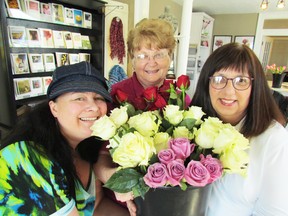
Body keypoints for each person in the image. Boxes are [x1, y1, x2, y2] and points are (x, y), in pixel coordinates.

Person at [0, 62, 129, 215]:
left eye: (99, 97)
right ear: (54, 108)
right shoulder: (25, 156)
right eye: (79, 98)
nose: (94, 107)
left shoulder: (86, 148)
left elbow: (97, 206)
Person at [190, 43, 288, 215]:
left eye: (241, 81)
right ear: (207, 83)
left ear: (254, 87)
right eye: (219, 79)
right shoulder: (192, 125)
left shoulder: (274, 140)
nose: (229, 92)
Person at [93, 18, 177, 214]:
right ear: (132, 57)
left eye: (159, 54)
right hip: (120, 203)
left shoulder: (181, 98)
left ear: (170, 57)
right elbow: (99, 158)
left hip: (165, 201)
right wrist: (117, 181)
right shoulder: (115, 95)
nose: (151, 62)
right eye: (142, 55)